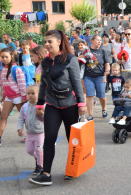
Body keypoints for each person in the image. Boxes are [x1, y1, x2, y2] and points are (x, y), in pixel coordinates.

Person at [29, 30, 86, 186]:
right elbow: (43, 85)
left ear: (59, 42)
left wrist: (82, 104)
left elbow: (77, 83)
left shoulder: (71, 60)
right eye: (45, 41)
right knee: (49, 138)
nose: (46, 44)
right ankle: (46, 174)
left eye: (50, 42)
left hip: (71, 105)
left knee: (72, 140)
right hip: (52, 104)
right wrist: (40, 104)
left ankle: (73, 170)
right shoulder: (45, 62)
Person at [0, 47, 27, 147]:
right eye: (2, 57)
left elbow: (22, 84)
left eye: (6, 57)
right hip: (9, 97)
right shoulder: (3, 69)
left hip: (18, 97)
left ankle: (32, 135)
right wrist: (4, 95)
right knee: (3, 116)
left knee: (26, 117)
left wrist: (24, 97)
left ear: (11, 57)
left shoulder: (16, 69)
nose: (4, 59)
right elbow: (4, 83)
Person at [17, 85, 44, 175]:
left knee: (38, 149)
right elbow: (21, 118)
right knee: (29, 150)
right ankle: (38, 158)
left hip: (39, 132)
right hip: (29, 133)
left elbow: (48, 118)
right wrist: (20, 128)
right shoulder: (24, 106)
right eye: (28, 93)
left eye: (33, 93)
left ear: (39, 94)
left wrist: (41, 113)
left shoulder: (42, 105)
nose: (30, 95)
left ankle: (40, 166)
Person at [82, 35, 110, 121]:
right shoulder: (87, 50)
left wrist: (107, 71)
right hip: (88, 77)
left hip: (100, 76)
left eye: (100, 40)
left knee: (101, 95)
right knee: (90, 95)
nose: (99, 41)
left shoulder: (102, 51)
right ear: (92, 41)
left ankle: (104, 109)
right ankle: (90, 114)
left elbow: (107, 63)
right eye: (97, 40)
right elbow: (80, 58)